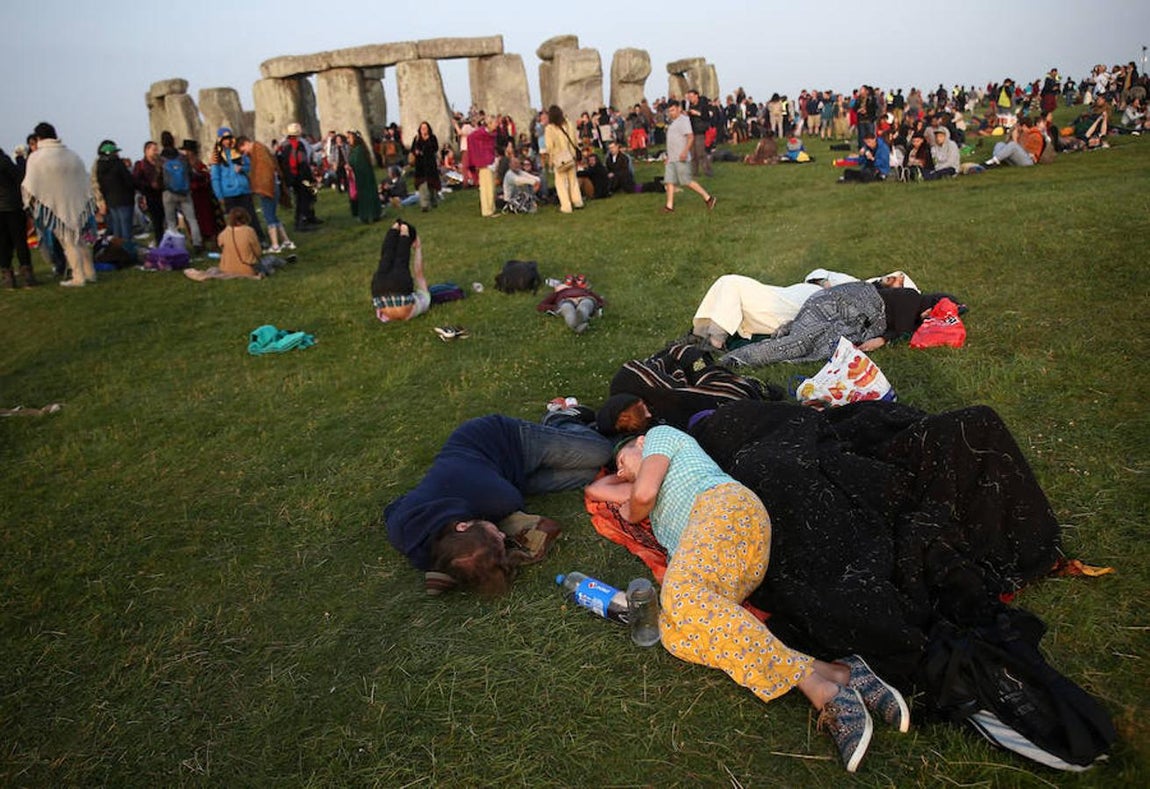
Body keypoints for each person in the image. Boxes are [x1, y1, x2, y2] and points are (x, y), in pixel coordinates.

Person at [585, 429, 909, 773]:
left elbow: (643, 495)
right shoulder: (641, 475)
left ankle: (821, 690)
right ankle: (840, 672)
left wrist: (632, 507)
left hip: (723, 510)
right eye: (618, 471)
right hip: (724, 553)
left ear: (640, 442)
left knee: (678, 597)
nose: (621, 472)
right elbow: (597, 489)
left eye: (622, 461)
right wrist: (629, 482)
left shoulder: (660, 437)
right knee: (675, 633)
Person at [383, 409, 613, 594]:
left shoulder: (496, 500)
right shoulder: (417, 541)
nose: (503, 535)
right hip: (507, 478)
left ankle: (559, 417)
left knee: (603, 452)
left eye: (495, 534)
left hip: (504, 441)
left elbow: (510, 502)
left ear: (463, 526)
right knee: (594, 474)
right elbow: (392, 508)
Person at [691, 269, 859, 350]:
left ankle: (713, 337)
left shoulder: (863, 288)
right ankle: (704, 332)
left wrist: (829, 291)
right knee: (726, 283)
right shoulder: (833, 280)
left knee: (731, 282)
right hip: (785, 293)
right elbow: (817, 274)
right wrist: (823, 282)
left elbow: (853, 297)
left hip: (805, 304)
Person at [22, 122, 96, 287]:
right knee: (79, 239)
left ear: (39, 138)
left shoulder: (36, 158)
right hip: (75, 202)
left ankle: (78, 277)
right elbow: (84, 179)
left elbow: (30, 185)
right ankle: (90, 272)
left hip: (54, 204)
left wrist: (32, 201)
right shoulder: (72, 155)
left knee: (68, 241)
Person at [185, 206, 289, 281]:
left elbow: (222, 246)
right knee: (270, 259)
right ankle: (285, 261)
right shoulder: (249, 231)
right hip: (247, 269)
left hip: (226, 268)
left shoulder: (223, 233)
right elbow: (258, 252)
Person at [237, 136, 294, 253]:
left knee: (268, 216)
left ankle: (275, 245)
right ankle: (286, 241)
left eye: (243, 150)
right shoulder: (260, 149)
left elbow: (264, 171)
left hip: (267, 187)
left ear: (245, 144)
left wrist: (261, 188)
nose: (244, 153)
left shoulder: (258, 151)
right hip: (273, 185)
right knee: (273, 215)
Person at [211, 127, 267, 244]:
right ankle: (237, 243)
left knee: (251, 216)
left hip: (243, 190)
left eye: (229, 138)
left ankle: (259, 239)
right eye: (225, 139)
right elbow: (215, 177)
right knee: (233, 220)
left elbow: (250, 167)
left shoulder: (238, 152)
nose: (227, 141)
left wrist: (242, 168)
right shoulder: (217, 156)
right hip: (228, 193)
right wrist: (219, 195)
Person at [371, 219, 430, 323]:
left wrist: (417, 247)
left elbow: (419, 274)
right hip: (380, 292)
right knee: (387, 257)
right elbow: (419, 275)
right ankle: (396, 228)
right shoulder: (424, 300)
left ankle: (401, 228)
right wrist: (418, 248)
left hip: (399, 288)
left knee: (400, 259)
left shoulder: (425, 299)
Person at [662, 102, 716, 213]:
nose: (671, 113)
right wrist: (668, 156)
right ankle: (669, 206)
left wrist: (685, 152)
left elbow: (690, 137)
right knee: (669, 181)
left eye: (673, 110)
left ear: (679, 109)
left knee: (687, 181)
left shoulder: (684, 120)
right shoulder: (672, 122)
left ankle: (708, 198)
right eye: (669, 111)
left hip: (681, 156)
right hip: (672, 157)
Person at [159, 131, 202, 253]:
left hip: (168, 193)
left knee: (171, 221)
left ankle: (176, 247)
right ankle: (197, 243)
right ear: (173, 141)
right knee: (192, 219)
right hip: (184, 192)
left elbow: (159, 177)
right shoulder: (182, 157)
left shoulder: (160, 159)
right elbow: (190, 174)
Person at [1, 146, 36, 287]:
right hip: (14, 207)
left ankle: (7, 276)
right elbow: (20, 177)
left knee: (3, 243)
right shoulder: (5, 161)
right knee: (20, 241)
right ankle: (27, 274)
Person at [277, 123, 319, 233]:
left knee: (302, 198)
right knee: (304, 199)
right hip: (301, 177)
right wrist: (310, 177)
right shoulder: (297, 144)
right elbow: (302, 161)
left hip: (292, 177)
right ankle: (301, 222)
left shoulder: (283, 145)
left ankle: (306, 219)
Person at [92, 140, 136, 245]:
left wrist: (103, 200)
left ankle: (117, 249)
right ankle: (127, 249)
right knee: (126, 229)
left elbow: (100, 185)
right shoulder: (118, 164)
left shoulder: (99, 167)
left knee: (117, 229)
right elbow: (128, 180)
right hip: (124, 200)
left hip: (111, 201)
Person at [543, 105, 584, 214]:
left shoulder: (549, 129)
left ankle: (566, 206)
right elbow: (575, 140)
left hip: (559, 158)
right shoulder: (569, 124)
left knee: (561, 183)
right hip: (571, 156)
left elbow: (549, 146)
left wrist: (551, 159)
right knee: (573, 180)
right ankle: (578, 201)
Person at [536, 273, 605, 333]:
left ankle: (578, 321)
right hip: (566, 300)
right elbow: (541, 305)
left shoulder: (585, 291)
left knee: (585, 305)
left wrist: (598, 305)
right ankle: (578, 322)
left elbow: (600, 300)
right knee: (567, 308)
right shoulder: (559, 292)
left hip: (584, 298)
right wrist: (555, 307)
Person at [132, 140, 165, 246]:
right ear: (146, 150)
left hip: (163, 194)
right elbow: (136, 181)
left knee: (165, 220)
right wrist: (149, 185)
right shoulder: (140, 165)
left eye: (157, 150)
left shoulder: (161, 163)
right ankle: (160, 242)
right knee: (156, 222)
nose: (156, 152)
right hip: (150, 196)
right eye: (154, 150)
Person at [346, 131, 382, 223]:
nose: (348, 140)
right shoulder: (355, 150)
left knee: (367, 196)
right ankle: (368, 215)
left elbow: (358, 164)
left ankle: (370, 215)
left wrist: (350, 166)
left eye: (349, 138)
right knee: (363, 196)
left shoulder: (359, 151)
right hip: (360, 178)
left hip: (363, 178)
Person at [468, 116, 498, 217]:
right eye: (494, 122)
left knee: (491, 187)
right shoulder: (480, 133)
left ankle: (491, 208)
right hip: (484, 163)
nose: (496, 124)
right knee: (486, 188)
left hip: (491, 161)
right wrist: (478, 156)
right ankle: (487, 211)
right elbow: (470, 138)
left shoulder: (492, 134)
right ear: (489, 124)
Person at [410, 121, 441, 212]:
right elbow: (412, 149)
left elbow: (435, 148)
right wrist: (416, 152)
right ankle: (424, 205)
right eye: (422, 128)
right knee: (422, 185)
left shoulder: (432, 138)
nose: (423, 130)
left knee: (432, 185)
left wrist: (427, 146)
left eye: (425, 128)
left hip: (430, 164)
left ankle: (433, 201)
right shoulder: (417, 138)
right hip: (420, 166)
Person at [684, 89, 713, 177]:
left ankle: (708, 172)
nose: (690, 98)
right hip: (691, 131)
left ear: (696, 96)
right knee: (693, 154)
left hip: (700, 131)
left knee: (701, 153)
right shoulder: (689, 106)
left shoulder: (703, 105)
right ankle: (694, 173)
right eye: (689, 97)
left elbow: (707, 116)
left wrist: (697, 113)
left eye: (691, 96)